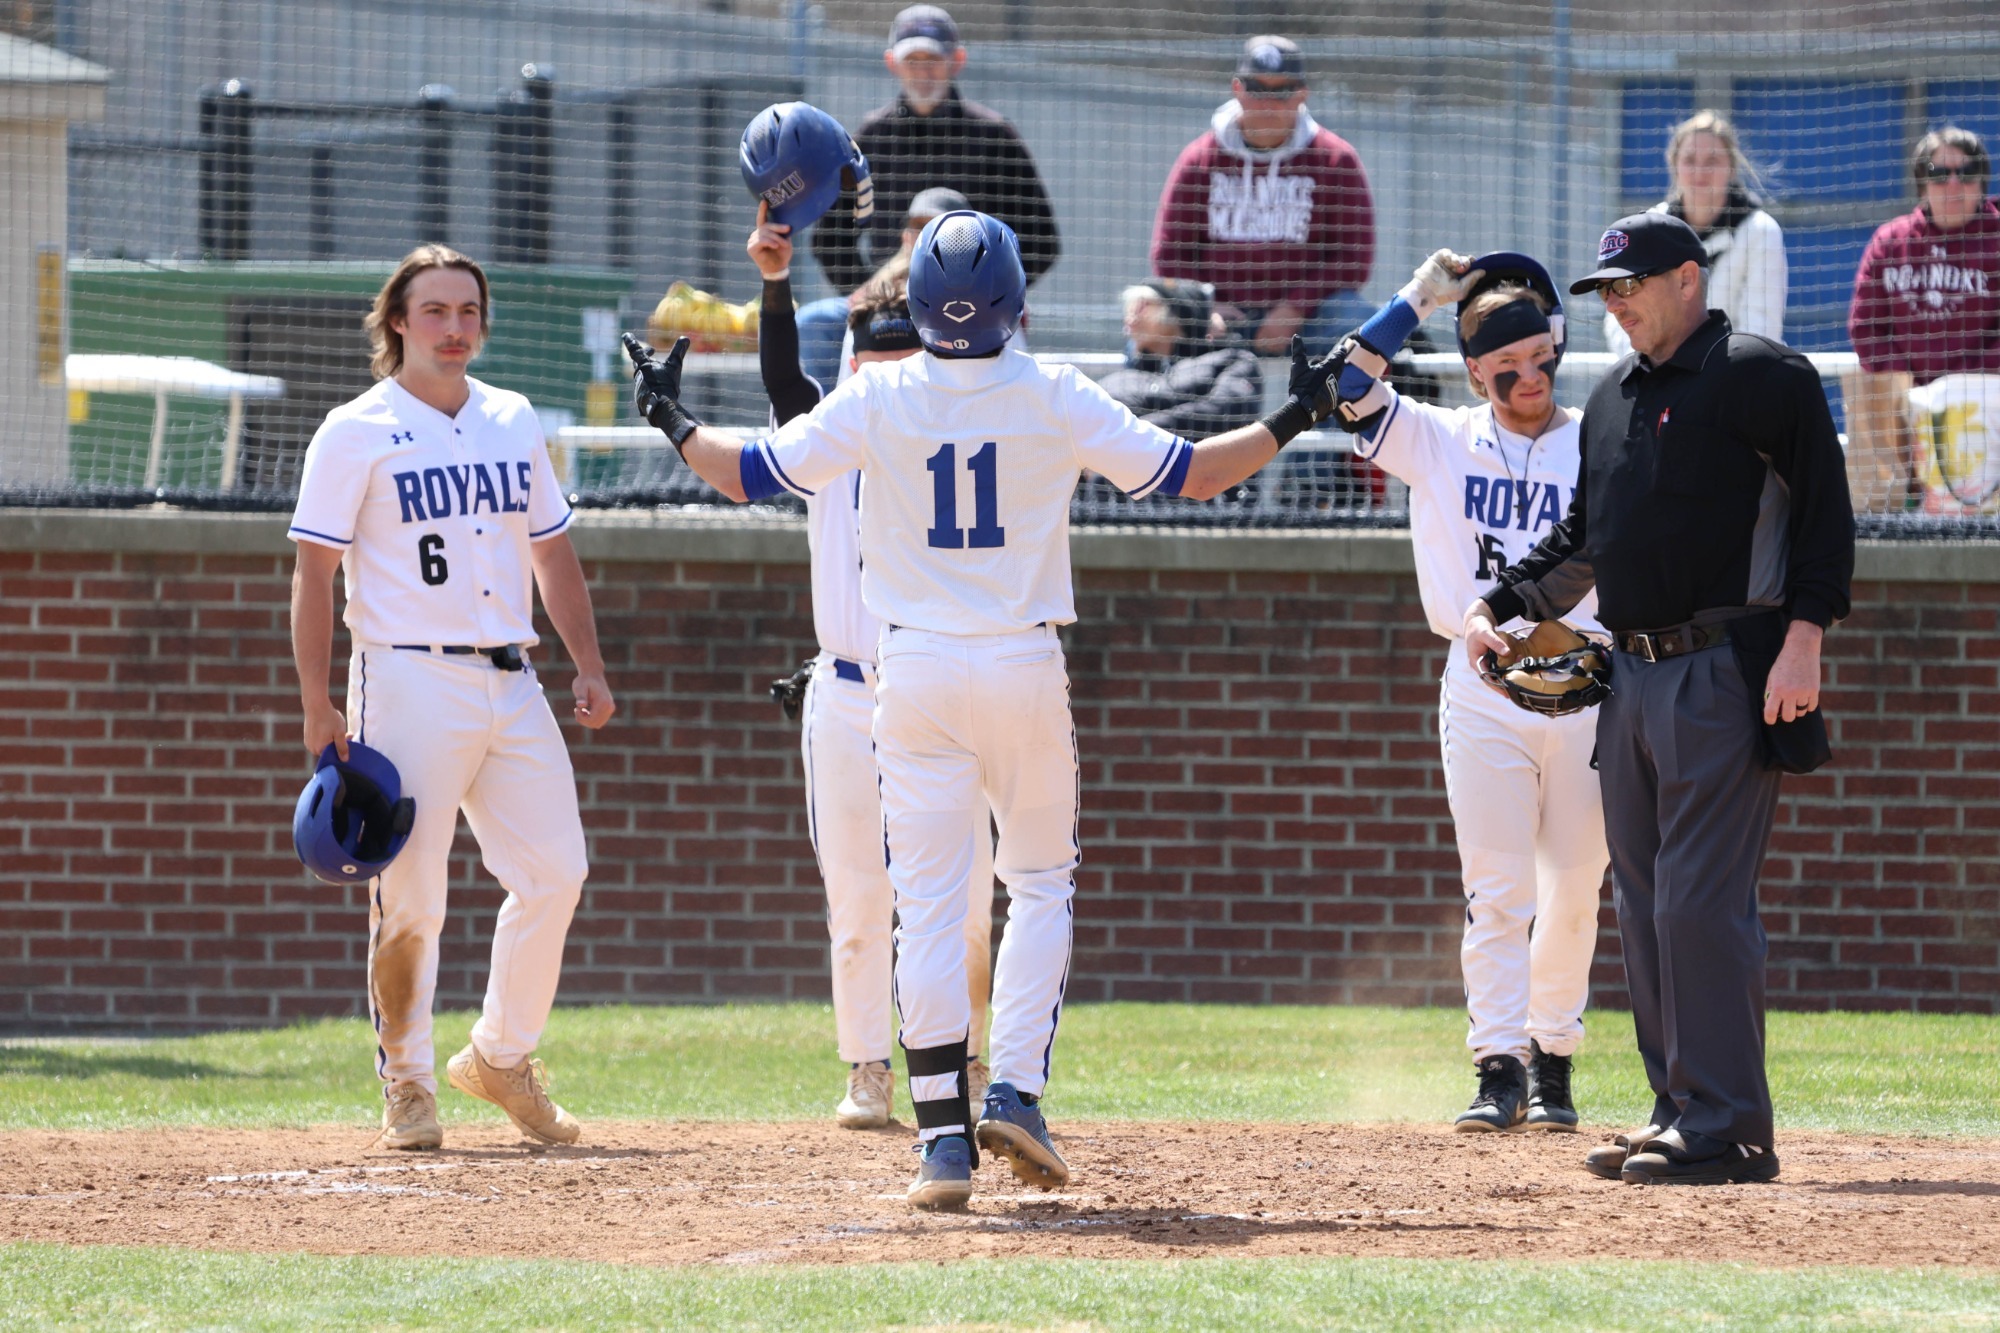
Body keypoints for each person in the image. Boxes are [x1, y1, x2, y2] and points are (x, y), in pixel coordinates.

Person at [626, 210, 1345, 1210]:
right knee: (1038, 882)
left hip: (912, 667)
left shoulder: (877, 393)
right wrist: (1298, 412)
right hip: (1019, 658)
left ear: (919, 305)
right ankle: (1012, 1090)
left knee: (924, 905)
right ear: (1015, 304)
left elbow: (743, 474)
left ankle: (939, 1142)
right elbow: (1197, 475)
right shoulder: (1054, 391)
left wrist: (667, 415)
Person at [1466, 213, 1854, 1186]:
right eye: (1605, 289)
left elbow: (1825, 520)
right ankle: (1676, 1108)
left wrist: (1804, 639)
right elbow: (1583, 540)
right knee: (1641, 901)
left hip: (1725, 665)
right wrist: (1499, 605)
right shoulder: (1613, 398)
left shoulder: (1762, 376)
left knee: (1698, 900)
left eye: (1631, 283)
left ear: (1688, 278)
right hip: (1628, 676)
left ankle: (1728, 1127)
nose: (1617, 302)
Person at [287, 244, 616, 1151]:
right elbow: (314, 573)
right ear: (397, 321)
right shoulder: (354, 429)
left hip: (512, 674)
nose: (454, 327)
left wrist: (588, 663)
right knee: (412, 894)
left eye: (468, 311)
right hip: (405, 674)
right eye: (434, 310)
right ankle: (408, 1082)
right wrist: (317, 701)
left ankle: (500, 1057)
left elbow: (551, 549)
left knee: (556, 872)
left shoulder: (513, 417)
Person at [1327, 249, 1610, 1135]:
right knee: (1497, 887)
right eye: (1506, 364)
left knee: (1575, 884)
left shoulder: (1596, 436)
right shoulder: (1441, 436)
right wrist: (1419, 297)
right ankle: (1499, 1065)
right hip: (1483, 684)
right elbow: (1343, 384)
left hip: (1587, 681)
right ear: (1475, 370)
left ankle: (1553, 1056)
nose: (1529, 377)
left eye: (1539, 358)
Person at [744, 201, 999, 1128]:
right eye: (871, 359)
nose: (885, 374)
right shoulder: (832, 435)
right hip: (850, 690)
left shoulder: (962, 440)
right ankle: (866, 1067)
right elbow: (784, 384)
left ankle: (968, 1061)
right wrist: (777, 283)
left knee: (966, 900)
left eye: (903, 357)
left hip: (945, 687)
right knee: (858, 896)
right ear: (853, 364)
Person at [800, 5, 1060, 383]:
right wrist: (878, 295)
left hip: (973, 309)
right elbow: (829, 239)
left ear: (957, 60)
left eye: (933, 60)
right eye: (913, 61)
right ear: (892, 62)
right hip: (890, 305)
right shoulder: (871, 137)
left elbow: (1043, 242)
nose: (923, 72)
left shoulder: (994, 136)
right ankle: (818, 424)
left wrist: (994, 294)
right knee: (813, 323)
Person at [1149, 34, 1375, 356]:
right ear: (1237, 89)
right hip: (1219, 316)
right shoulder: (1199, 159)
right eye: (1256, 89)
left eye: (1282, 91)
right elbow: (1170, 254)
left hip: (1310, 317)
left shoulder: (1336, 160)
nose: (1268, 103)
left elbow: (1353, 257)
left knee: (1360, 325)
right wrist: (1203, 305)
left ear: (1302, 94)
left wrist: (1296, 307)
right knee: (1151, 325)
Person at [1847, 126, 2000, 513]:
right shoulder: (1891, 242)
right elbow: (1865, 327)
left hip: (1982, 401)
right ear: (1922, 183)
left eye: (1966, 173)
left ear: (1982, 181)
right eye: (1939, 173)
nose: (1953, 184)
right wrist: (1910, 384)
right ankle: (1887, 509)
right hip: (1903, 403)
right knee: (1865, 383)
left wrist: (1956, 385)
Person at [1603, 110, 1786, 357]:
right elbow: (1620, 312)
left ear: (1731, 168)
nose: (1700, 171)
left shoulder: (1761, 231)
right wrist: (1651, 367)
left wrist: (1710, 373)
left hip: (1735, 374)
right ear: (1674, 165)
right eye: (1690, 160)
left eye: (1712, 161)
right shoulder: (1647, 229)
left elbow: (1760, 329)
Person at [1100, 278, 1262, 438]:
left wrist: (1134, 432)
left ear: (1175, 314)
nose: (1130, 320)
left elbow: (1226, 415)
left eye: (1143, 307)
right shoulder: (1126, 377)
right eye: (1131, 309)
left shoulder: (1231, 359)